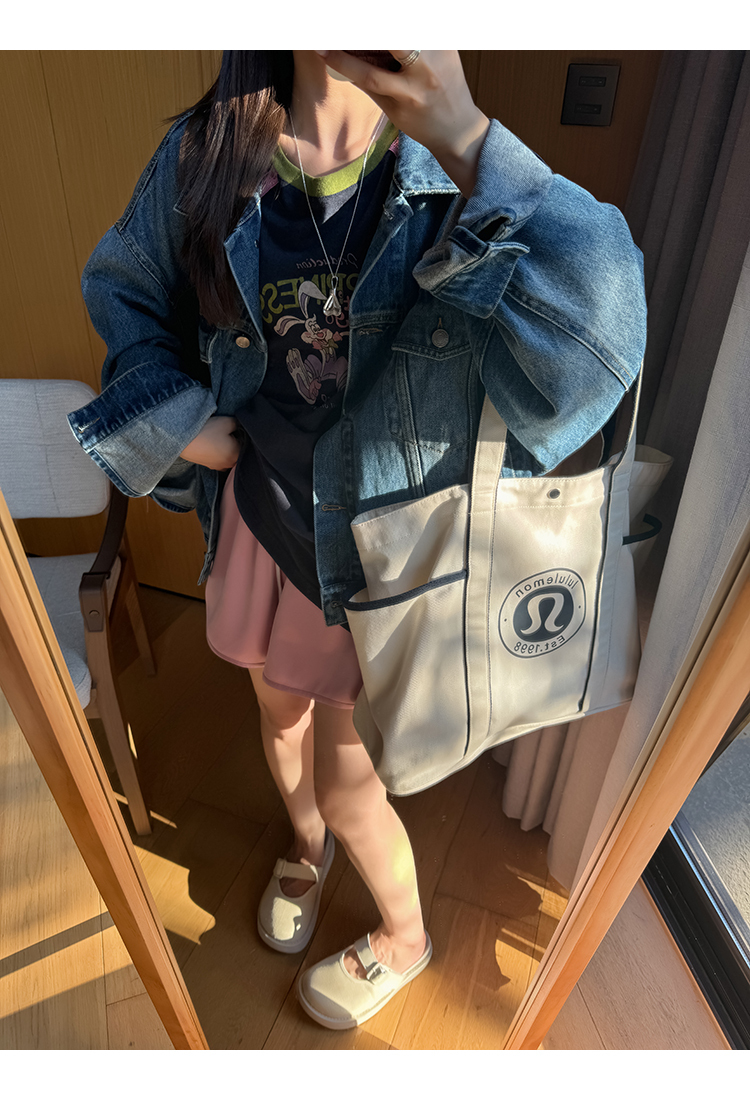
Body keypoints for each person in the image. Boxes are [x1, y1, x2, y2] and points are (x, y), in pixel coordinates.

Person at [68, 50, 647, 1031]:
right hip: (257, 521)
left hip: (375, 558)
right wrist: (182, 424)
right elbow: (123, 288)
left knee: (347, 776)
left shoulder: (448, 168)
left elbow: (600, 344)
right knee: (276, 719)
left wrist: (468, 141)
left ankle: (406, 934)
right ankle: (305, 849)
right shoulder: (208, 150)